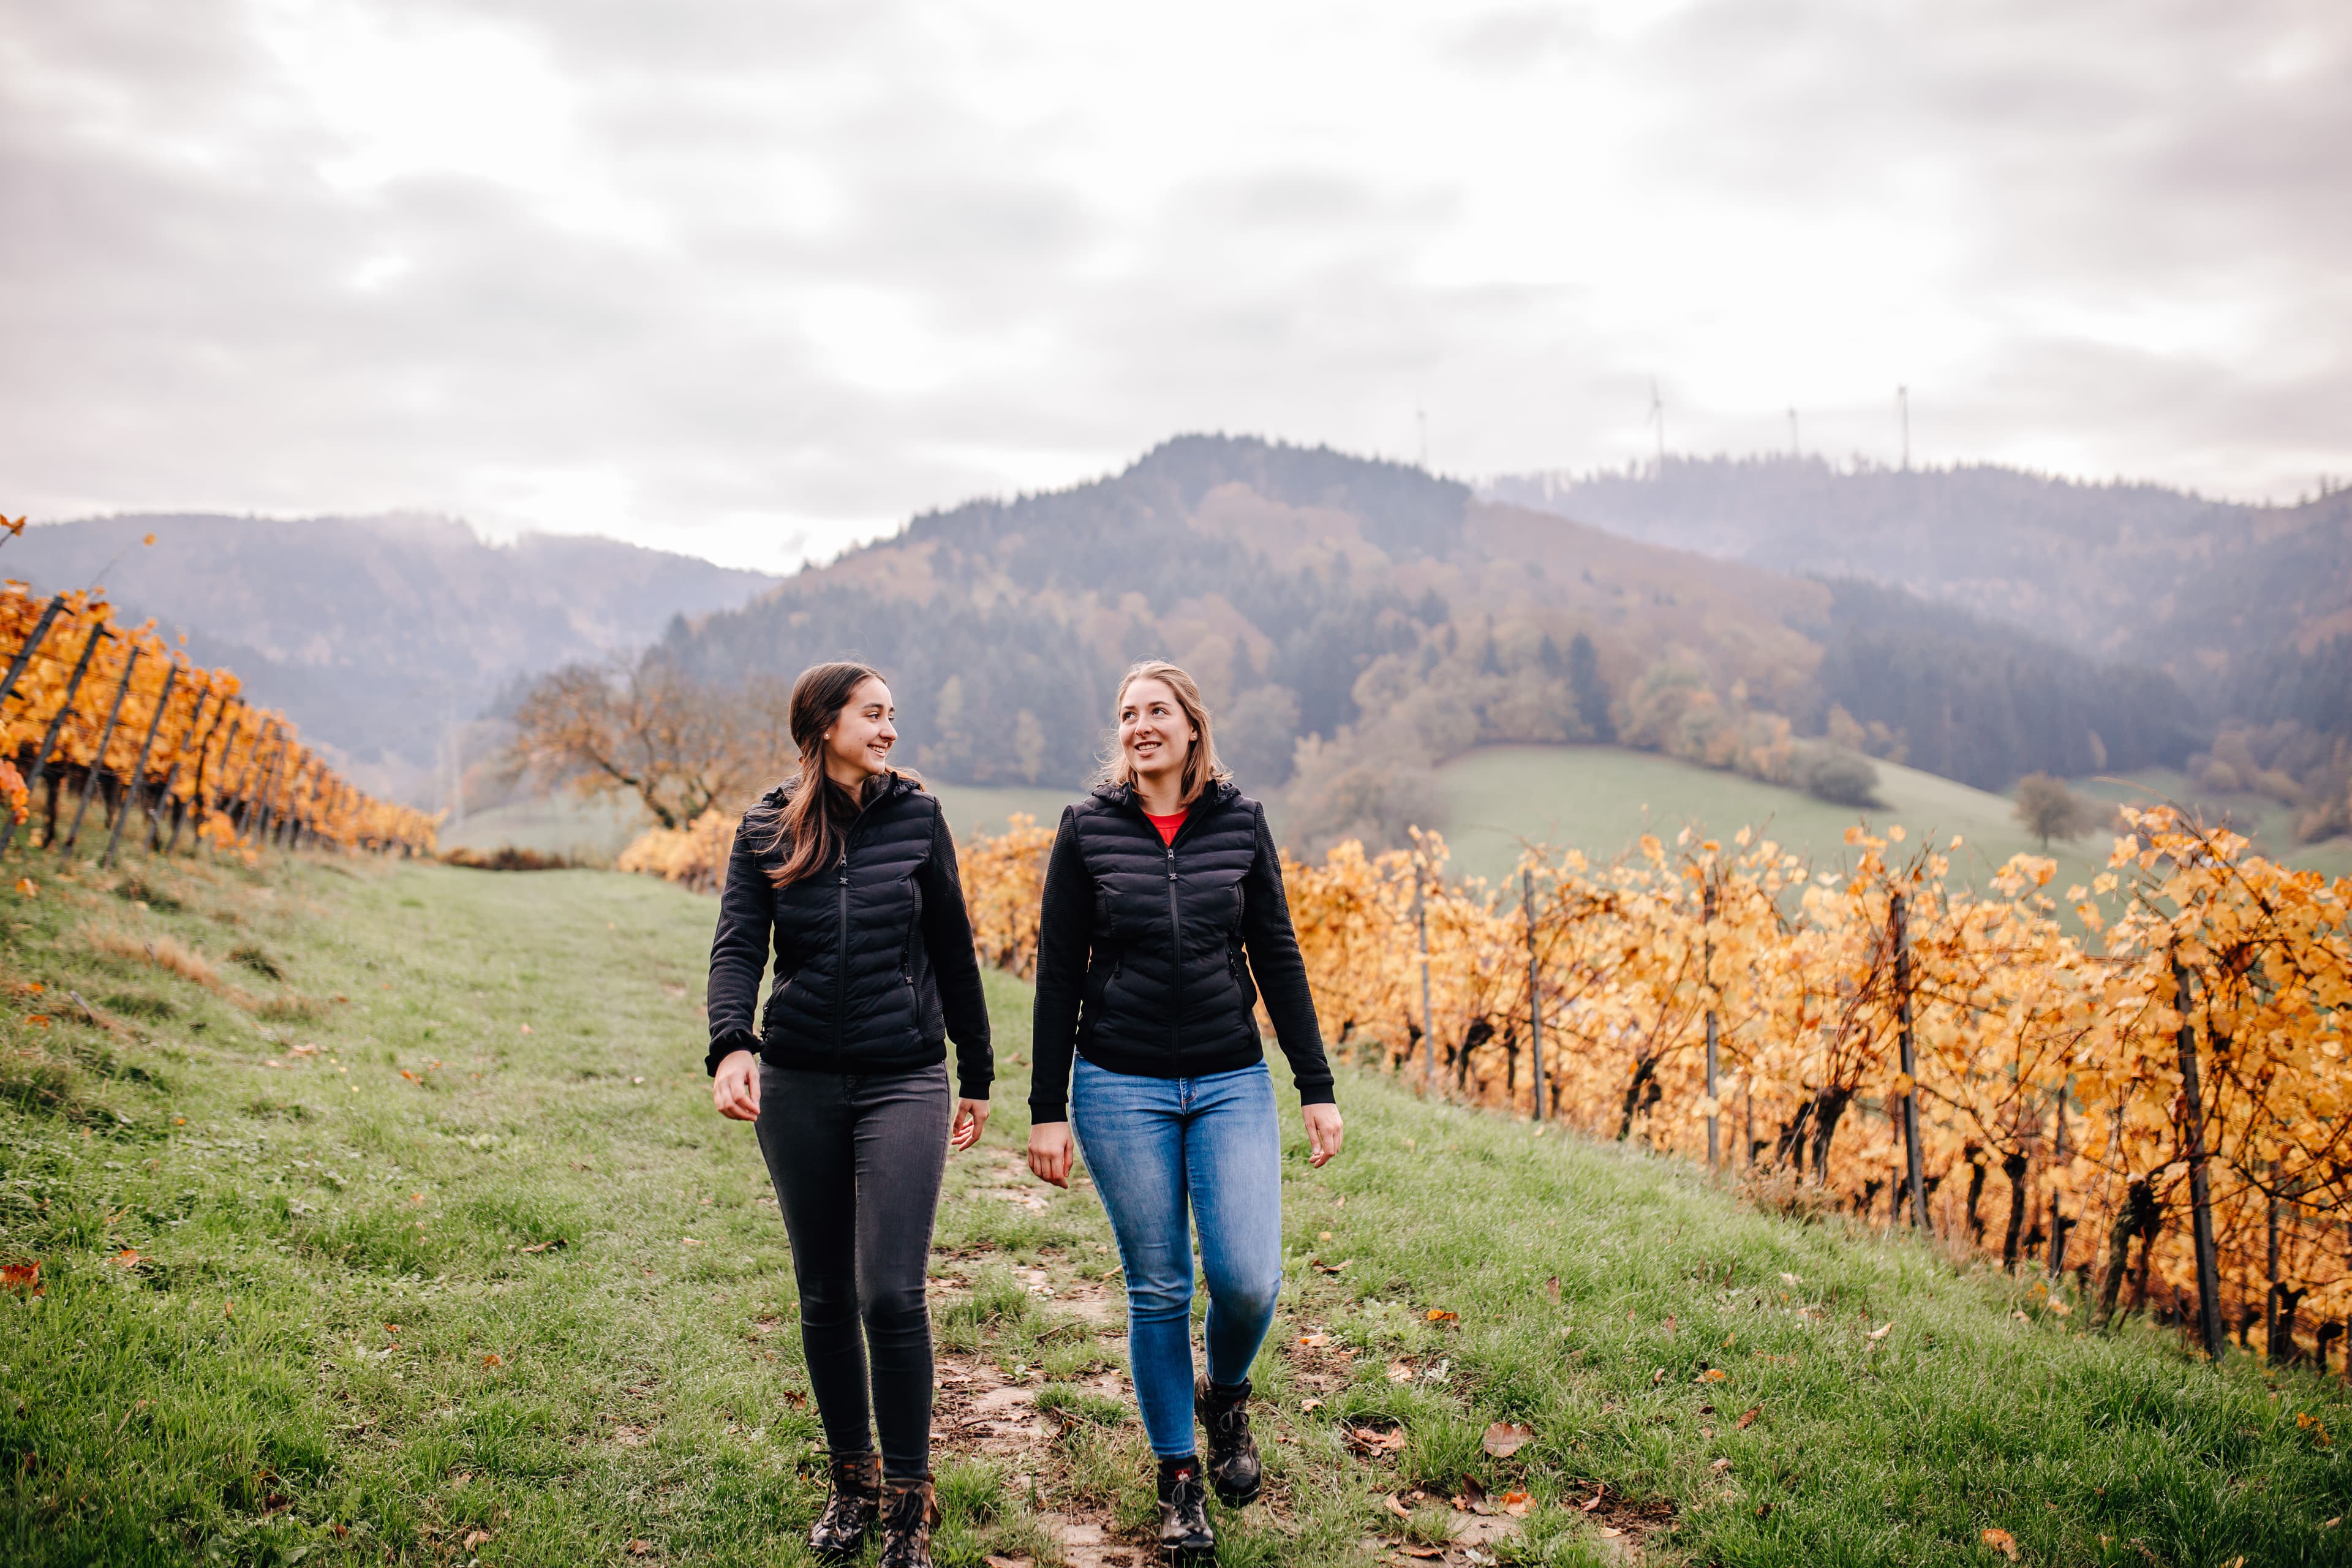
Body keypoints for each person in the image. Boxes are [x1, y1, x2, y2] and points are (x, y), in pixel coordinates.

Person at [1027, 660, 1343, 1562]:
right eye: (1128, 713)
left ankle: (1226, 1394)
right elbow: (1057, 973)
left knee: (1248, 1280)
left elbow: (1277, 953)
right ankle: (1178, 1479)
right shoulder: (1087, 828)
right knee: (1159, 1286)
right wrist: (1047, 1108)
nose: (1141, 725)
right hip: (1118, 1085)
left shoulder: (1241, 821)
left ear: (1193, 726)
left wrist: (1316, 1087)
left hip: (1229, 1078)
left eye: (1157, 710)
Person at [706, 661, 992, 1568]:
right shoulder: (766, 826)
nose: (890, 729)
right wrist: (732, 1045)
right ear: (826, 723)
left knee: (890, 1293)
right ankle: (851, 1483)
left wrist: (978, 1071)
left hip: (903, 1075)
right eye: (874, 714)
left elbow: (954, 948)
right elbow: (738, 947)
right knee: (825, 1293)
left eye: (892, 714)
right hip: (798, 1083)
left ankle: (909, 1497)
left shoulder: (918, 818)